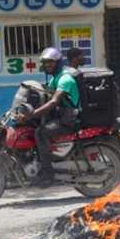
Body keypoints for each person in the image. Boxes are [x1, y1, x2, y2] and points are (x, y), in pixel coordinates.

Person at [29, 47, 80, 187]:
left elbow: (54, 101)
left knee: (40, 132)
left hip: (70, 119)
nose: (48, 65)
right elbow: (44, 92)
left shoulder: (65, 79)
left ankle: (48, 173)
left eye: (51, 62)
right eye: (45, 63)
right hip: (62, 115)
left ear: (58, 63)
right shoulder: (55, 78)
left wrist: (34, 113)